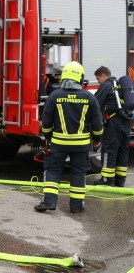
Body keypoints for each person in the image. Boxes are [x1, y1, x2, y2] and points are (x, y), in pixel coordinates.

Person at [34, 61, 103, 214]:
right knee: (78, 173)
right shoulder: (89, 97)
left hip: (58, 143)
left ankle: (49, 202)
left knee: (53, 171)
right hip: (81, 145)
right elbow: (97, 122)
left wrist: (48, 137)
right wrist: (97, 138)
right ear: (80, 78)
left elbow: (46, 120)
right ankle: (77, 205)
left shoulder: (55, 96)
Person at [93, 66, 130, 187]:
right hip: (126, 122)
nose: (98, 81)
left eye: (98, 79)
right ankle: (120, 180)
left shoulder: (107, 85)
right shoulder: (121, 85)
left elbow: (95, 104)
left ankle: (107, 180)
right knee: (123, 150)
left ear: (103, 75)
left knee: (109, 150)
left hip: (113, 123)